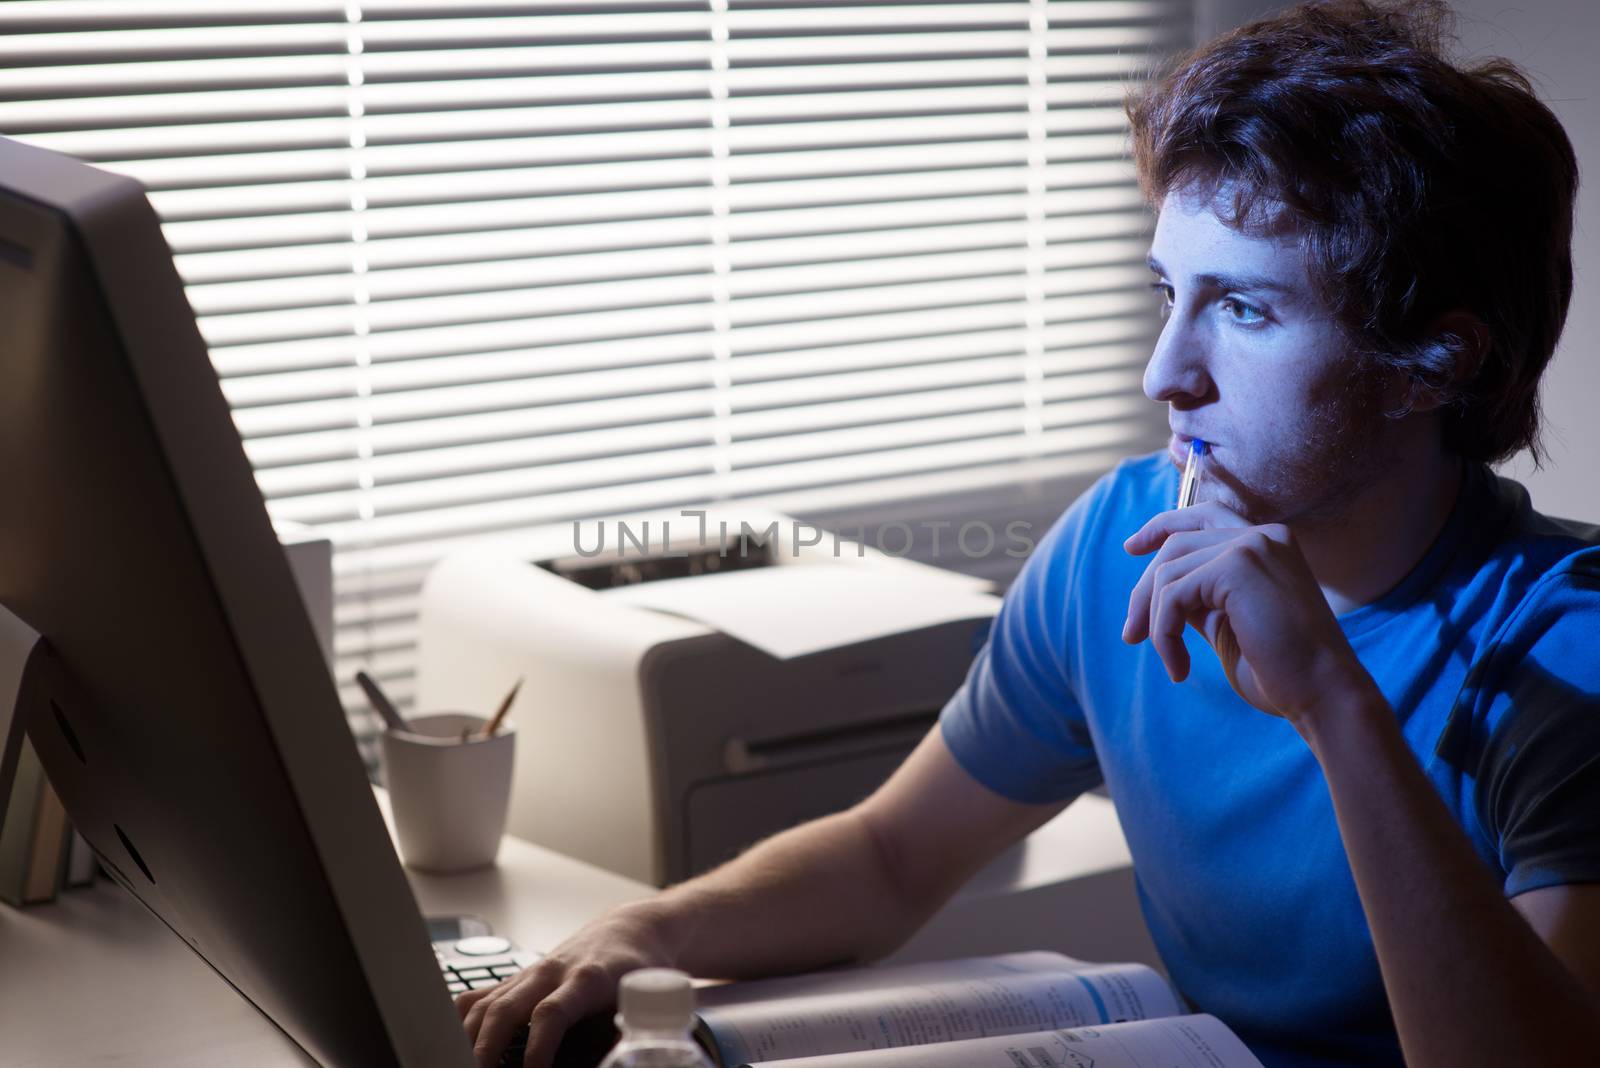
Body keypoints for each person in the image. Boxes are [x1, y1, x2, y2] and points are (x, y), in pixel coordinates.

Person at [459, 3, 1600, 1065]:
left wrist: (1332, 703)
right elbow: (890, 858)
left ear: (1437, 362)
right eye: (1170, 295)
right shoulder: (1123, 531)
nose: (1167, 374)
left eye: (1245, 310)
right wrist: (642, 931)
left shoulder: (1569, 647)